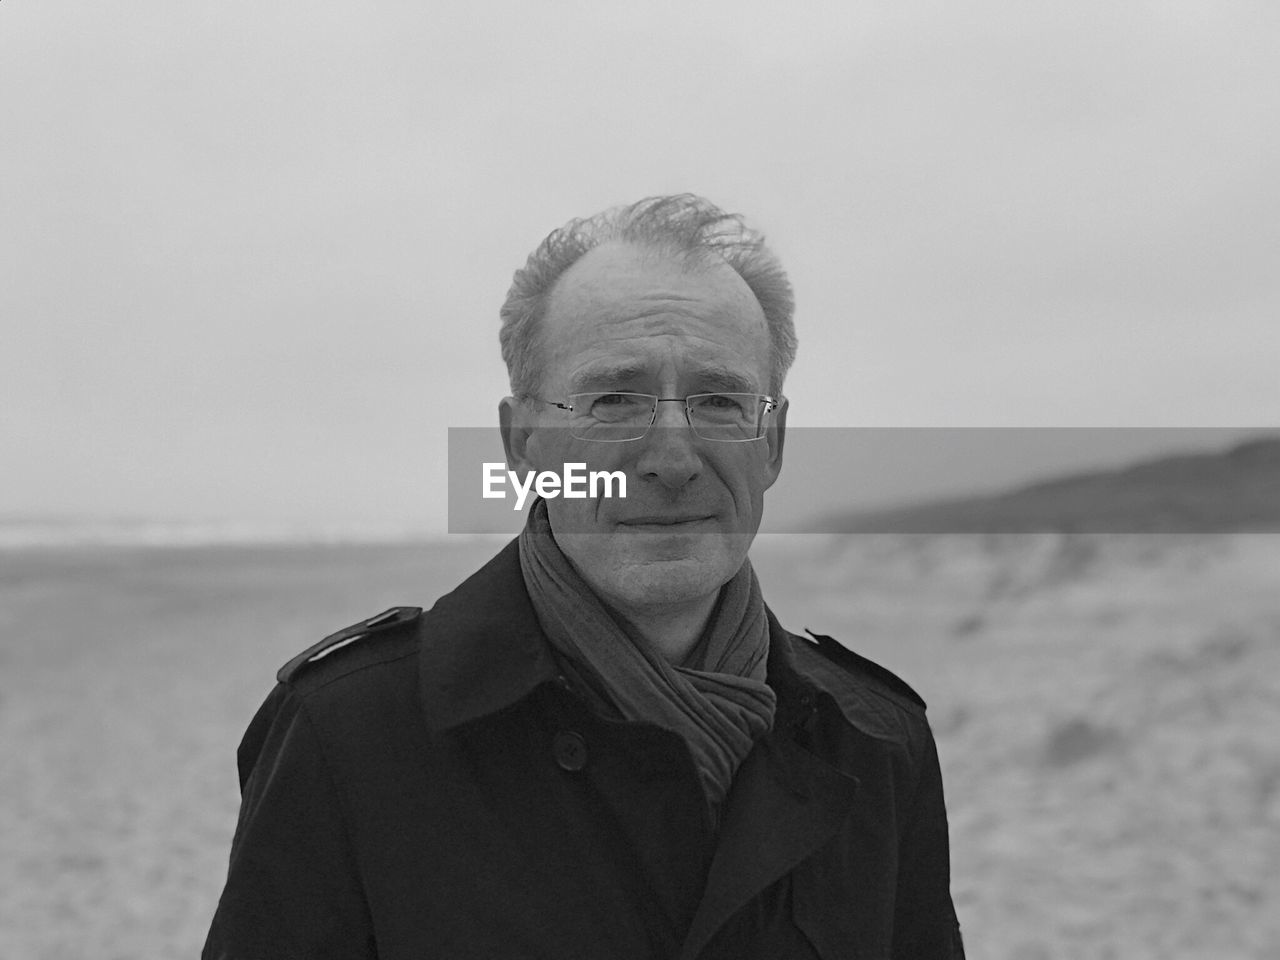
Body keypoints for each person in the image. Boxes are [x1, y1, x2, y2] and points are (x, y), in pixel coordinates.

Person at [203, 194, 965, 959]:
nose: (672, 458)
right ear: (523, 442)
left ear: (772, 442)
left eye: (722, 400)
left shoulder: (875, 743)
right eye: (612, 400)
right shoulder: (349, 738)